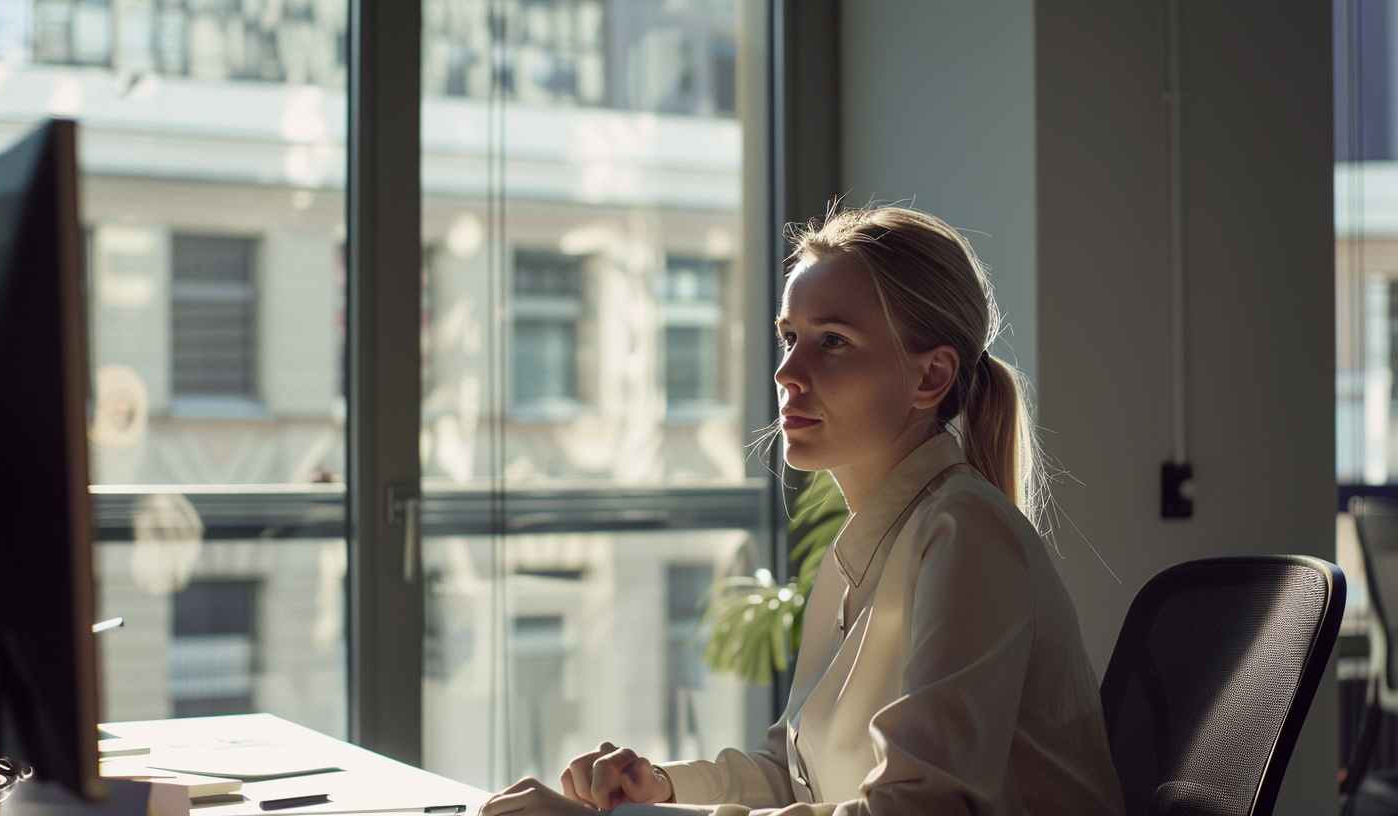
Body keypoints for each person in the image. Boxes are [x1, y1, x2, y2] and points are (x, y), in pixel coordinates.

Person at [480, 206, 1125, 816]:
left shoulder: (966, 535)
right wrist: (662, 789)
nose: (788, 370)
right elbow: (795, 774)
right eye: (790, 337)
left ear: (929, 378)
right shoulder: (865, 547)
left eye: (833, 341)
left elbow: (918, 810)